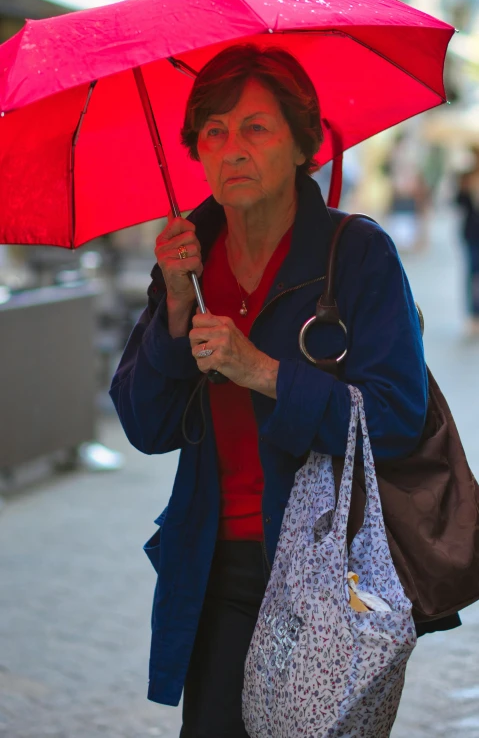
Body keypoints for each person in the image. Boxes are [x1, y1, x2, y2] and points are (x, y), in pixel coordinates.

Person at [109, 45, 459, 737]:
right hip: (214, 562)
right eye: (212, 131)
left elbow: (394, 418)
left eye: (254, 128)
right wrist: (175, 306)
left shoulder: (355, 254)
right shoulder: (188, 258)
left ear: (304, 144)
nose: (230, 149)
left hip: (329, 572)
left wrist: (262, 370)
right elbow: (145, 426)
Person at [455, 147, 479, 337]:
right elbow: (458, 203)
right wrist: (464, 188)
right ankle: (472, 314)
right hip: (472, 232)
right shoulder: (466, 177)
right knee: (472, 273)